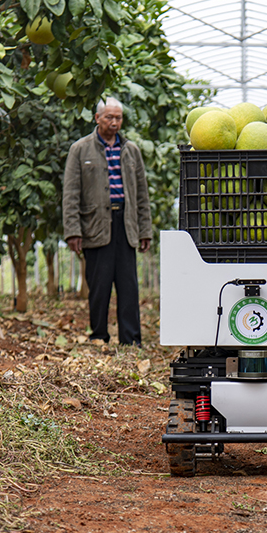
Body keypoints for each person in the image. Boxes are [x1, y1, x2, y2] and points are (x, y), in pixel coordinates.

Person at [63, 97, 152, 346]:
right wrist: (73, 231)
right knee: (99, 286)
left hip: (125, 222)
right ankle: (99, 336)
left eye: (119, 118)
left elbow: (142, 194)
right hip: (95, 225)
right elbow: (70, 194)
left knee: (128, 286)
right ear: (97, 118)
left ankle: (131, 340)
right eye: (109, 117)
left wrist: (145, 230)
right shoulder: (80, 149)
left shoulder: (131, 150)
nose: (115, 122)